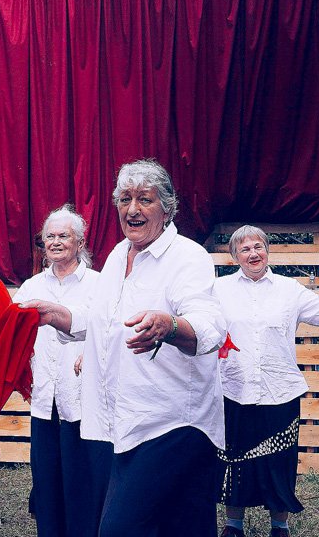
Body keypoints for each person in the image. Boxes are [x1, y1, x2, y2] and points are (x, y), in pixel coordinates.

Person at [22, 159, 227, 537]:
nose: (133, 209)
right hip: (122, 423)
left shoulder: (187, 257)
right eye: (125, 199)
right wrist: (59, 316)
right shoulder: (119, 256)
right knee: (183, 526)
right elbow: (102, 322)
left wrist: (171, 326)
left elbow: (210, 325)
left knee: (120, 528)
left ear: (166, 208)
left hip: (172, 424)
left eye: (145, 199)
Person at [213, 225, 319, 537]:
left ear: (268, 251)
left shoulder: (289, 290)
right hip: (233, 390)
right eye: (245, 249)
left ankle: (280, 526)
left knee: (279, 463)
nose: (253, 253)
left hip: (280, 392)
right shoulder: (219, 291)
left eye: (258, 247)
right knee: (234, 460)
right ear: (234, 256)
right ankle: (233, 525)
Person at [0, 204, 110, 537]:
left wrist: (91, 352)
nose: (56, 242)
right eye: (50, 237)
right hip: (45, 399)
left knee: (82, 477)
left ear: (80, 242)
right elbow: (8, 335)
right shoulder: (31, 286)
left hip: (85, 400)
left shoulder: (100, 284)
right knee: (47, 479)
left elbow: (108, 329)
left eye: (64, 236)